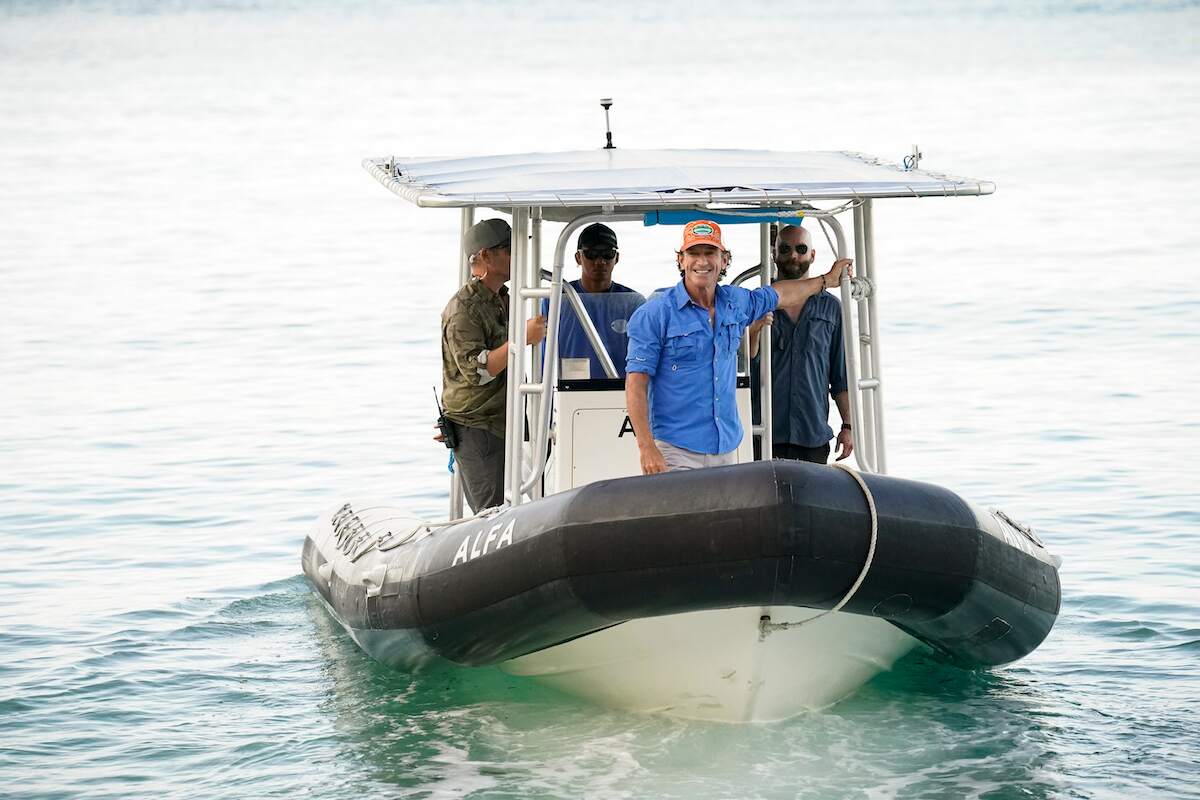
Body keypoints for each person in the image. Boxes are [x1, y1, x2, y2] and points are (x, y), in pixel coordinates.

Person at [624, 220, 851, 474]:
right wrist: (646, 447)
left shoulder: (736, 302)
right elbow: (636, 383)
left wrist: (826, 280)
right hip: (676, 450)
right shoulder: (654, 313)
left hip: (726, 447)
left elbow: (781, 294)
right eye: (693, 253)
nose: (702, 261)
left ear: (724, 260)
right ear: (681, 260)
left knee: (723, 516)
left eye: (710, 253)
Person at [440, 218, 546, 512]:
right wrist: (521, 337)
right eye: (510, 249)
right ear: (486, 256)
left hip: (507, 417)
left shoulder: (502, 298)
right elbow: (477, 371)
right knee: (492, 514)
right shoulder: (463, 310)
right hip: (478, 426)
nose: (518, 255)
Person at [748, 224, 854, 463]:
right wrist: (754, 330)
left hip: (811, 435)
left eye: (801, 248)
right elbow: (746, 360)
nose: (793, 255)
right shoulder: (757, 302)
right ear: (774, 254)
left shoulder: (831, 308)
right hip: (764, 432)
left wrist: (848, 426)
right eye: (785, 249)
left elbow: (840, 376)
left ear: (812, 255)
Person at [547, 223, 645, 379]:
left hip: (621, 392)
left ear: (617, 258)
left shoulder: (634, 304)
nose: (600, 261)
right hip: (569, 394)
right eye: (591, 254)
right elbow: (542, 357)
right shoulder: (556, 300)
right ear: (578, 257)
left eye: (607, 254)